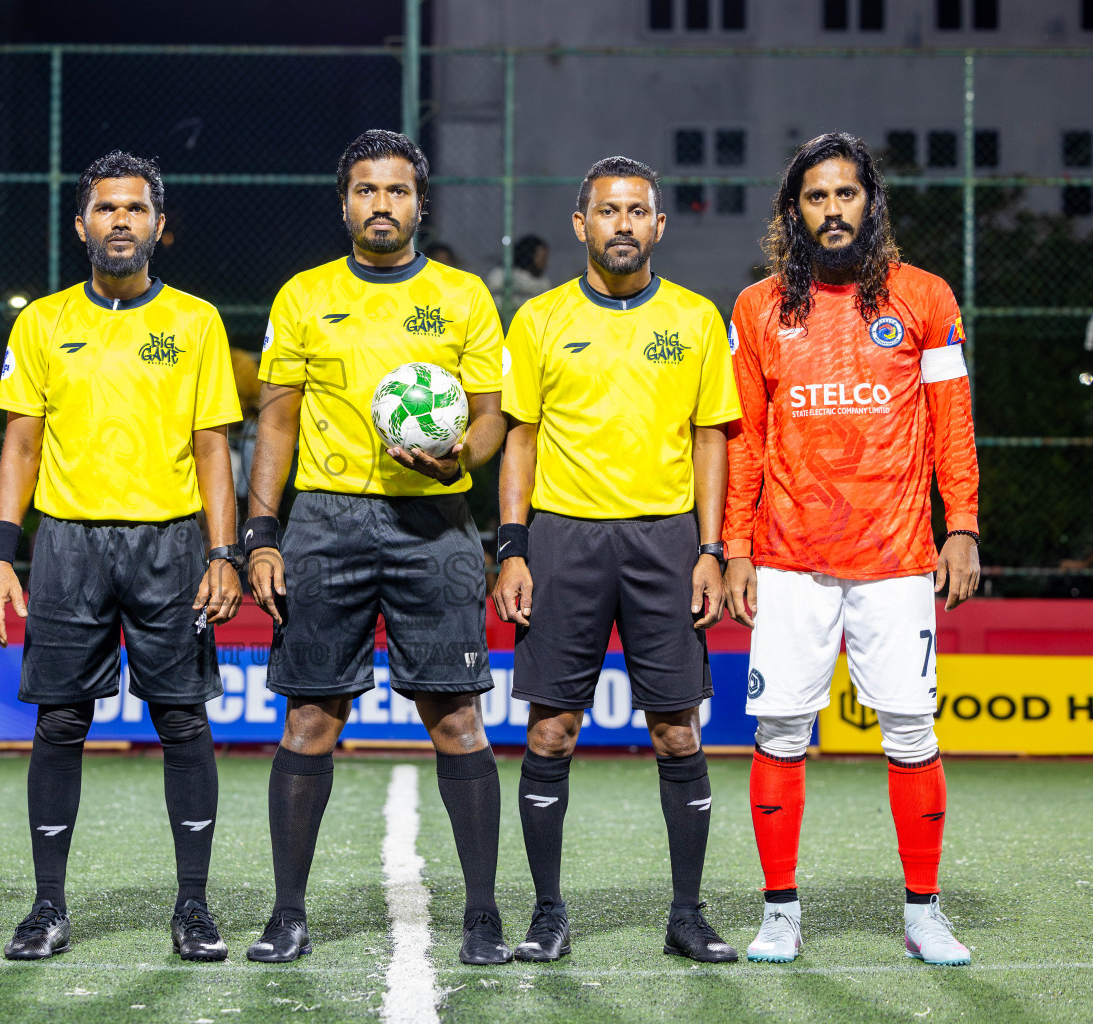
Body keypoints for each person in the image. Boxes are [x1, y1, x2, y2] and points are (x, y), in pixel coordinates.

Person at [244, 129, 511, 966]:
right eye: (366, 190)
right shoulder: (304, 295)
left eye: (397, 191)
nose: (382, 204)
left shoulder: (464, 296)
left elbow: (491, 416)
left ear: (419, 203)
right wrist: (261, 534)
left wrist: (459, 457)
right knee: (311, 717)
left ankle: (481, 916)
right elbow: (275, 422)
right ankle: (288, 915)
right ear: (345, 203)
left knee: (457, 718)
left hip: (436, 522)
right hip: (326, 524)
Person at [724, 132, 979, 967]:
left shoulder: (926, 298)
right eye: (816, 197)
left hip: (897, 555)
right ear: (793, 210)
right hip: (788, 556)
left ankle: (923, 911)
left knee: (910, 732)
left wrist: (962, 526)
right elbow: (744, 439)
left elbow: (952, 425)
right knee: (780, 732)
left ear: (871, 202)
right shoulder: (758, 307)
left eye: (846, 194)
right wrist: (734, 545)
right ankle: (780, 912)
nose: (832, 210)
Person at [0, 151, 243, 963]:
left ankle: (193, 907)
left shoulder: (196, 322)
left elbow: (214, 448)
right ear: (81, 225)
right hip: (68, 544)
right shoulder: (42, 323)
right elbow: (20, 447)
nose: (120, 220)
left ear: (159, 226)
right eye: (106, 208)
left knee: (182, 719)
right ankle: (47, 907)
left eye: (135, 208)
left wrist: (224, 553)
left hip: (170, 542)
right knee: (60, 721)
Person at [494, 156, 743, 965]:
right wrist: (513, 548)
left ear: (659, 226)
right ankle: (548, 914)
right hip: (563, 539)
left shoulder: (697, 318)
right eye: (608, 210)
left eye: (638, 211)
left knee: (677, 731)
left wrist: (711, 549)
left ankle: (687, 915)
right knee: (552, 731)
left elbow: (712, 439)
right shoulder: (538, 319)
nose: (624, 224)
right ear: (582, 224)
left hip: (666, 542)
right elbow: (520, 440)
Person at [485, 234, 553, 305]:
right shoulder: (501, 275)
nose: (545, 264)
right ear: (530, 255)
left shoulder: (543, 283)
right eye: (542, 259)